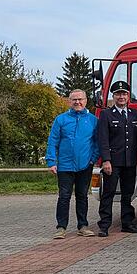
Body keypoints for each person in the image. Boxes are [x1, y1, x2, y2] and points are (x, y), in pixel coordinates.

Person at [46, 89, 99, 239]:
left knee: (82, 196)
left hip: (85, 165)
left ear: (86, 100)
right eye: (74, 100)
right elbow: (53, 141)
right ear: (69, 101)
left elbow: (97, 143)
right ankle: (61, 227)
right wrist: (51, 161)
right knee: (64, 196)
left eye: (80, 99)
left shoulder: (93, 120)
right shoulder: (61, 120)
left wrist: (92, 160)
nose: (77, 102)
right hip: (64, 165)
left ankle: (83, 226)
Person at [96, 81, 137, 237]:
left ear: (128, 96)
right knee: (108, 193)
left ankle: (127, 223)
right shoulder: (106, 114)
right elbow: (103, 139)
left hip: (130, 161)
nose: (121, 97)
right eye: (118, 94)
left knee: (127, 193)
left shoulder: (134, 114)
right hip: (113, 162)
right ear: (113, 96)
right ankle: (104, 225)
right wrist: (106, 160)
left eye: (124, 94)